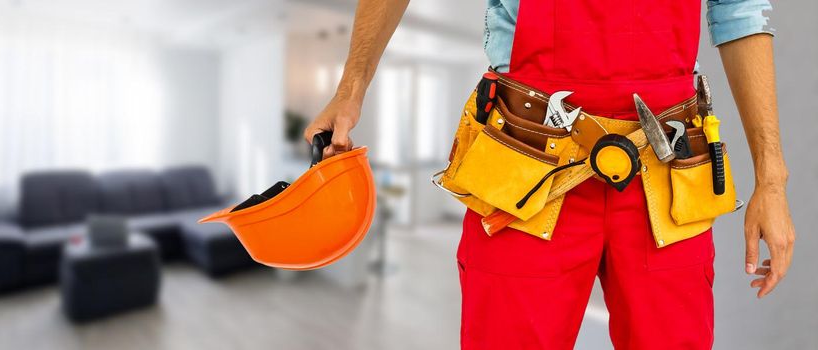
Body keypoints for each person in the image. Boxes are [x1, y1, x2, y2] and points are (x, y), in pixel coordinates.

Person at [304, 0, 795, 349]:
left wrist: (771, 179)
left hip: (665, 174)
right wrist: (351, 87)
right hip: (526, 161)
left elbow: (740, 11)